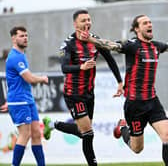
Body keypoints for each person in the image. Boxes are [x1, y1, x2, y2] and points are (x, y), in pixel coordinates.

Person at [79, 14, 168, 165]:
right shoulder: (132, 45)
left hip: (152, 101)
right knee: (137, 148)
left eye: (150, 22)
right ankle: (123, 128)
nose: (149, 25)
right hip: (135, 105)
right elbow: (112, 45)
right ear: (136, 29)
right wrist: (91, 39)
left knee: (166, 136)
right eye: (145, 23)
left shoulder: (156, 46)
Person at [43, 9, 123, 166]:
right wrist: (82, 67)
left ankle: (53, 125)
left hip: (89, 93)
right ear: (75, 24)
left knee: (83, 132)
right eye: (83, 20)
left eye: (88, 20)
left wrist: (120, 82)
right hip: (74, 94)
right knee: (88, 133)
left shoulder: (95, 40)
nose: (87, 23)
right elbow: (64, 68)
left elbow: (110, 59)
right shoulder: (68, 44)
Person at [6, 26, 48, 166]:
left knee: (36, 133)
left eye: (26, 35)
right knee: (25, 134)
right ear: (13, 38)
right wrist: (42, 78)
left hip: (27, 100)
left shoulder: (21, 55)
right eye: (21, 35)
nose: (25, 38)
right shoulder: (14, 57)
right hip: (19, 101)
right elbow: (29, 78)